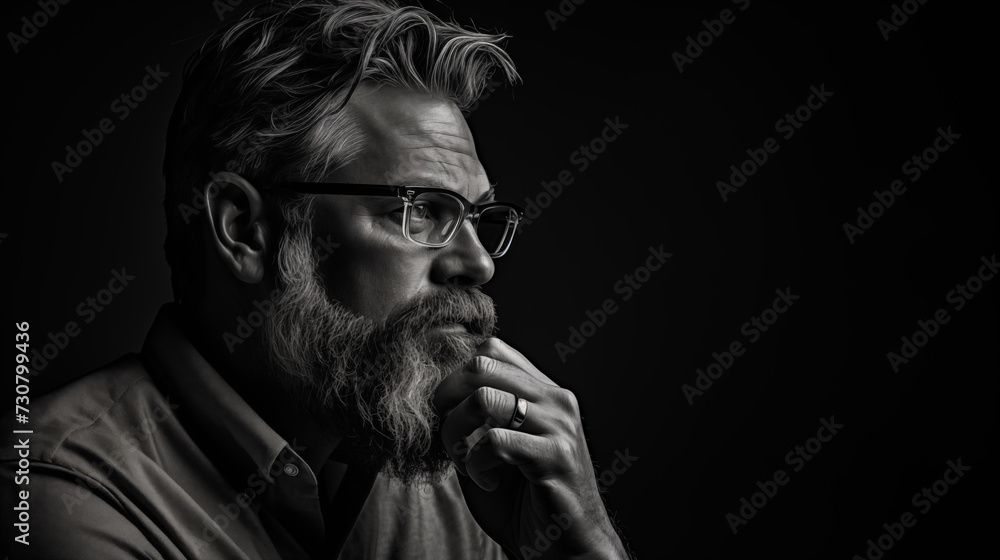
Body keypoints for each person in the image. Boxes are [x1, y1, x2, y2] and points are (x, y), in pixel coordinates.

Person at [2, 1, 632, 558]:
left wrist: (583, 548)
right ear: (245, 229)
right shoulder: (54, 495)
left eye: (476, 217)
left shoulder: (460, 478)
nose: (480, 264)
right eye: (419, 209)